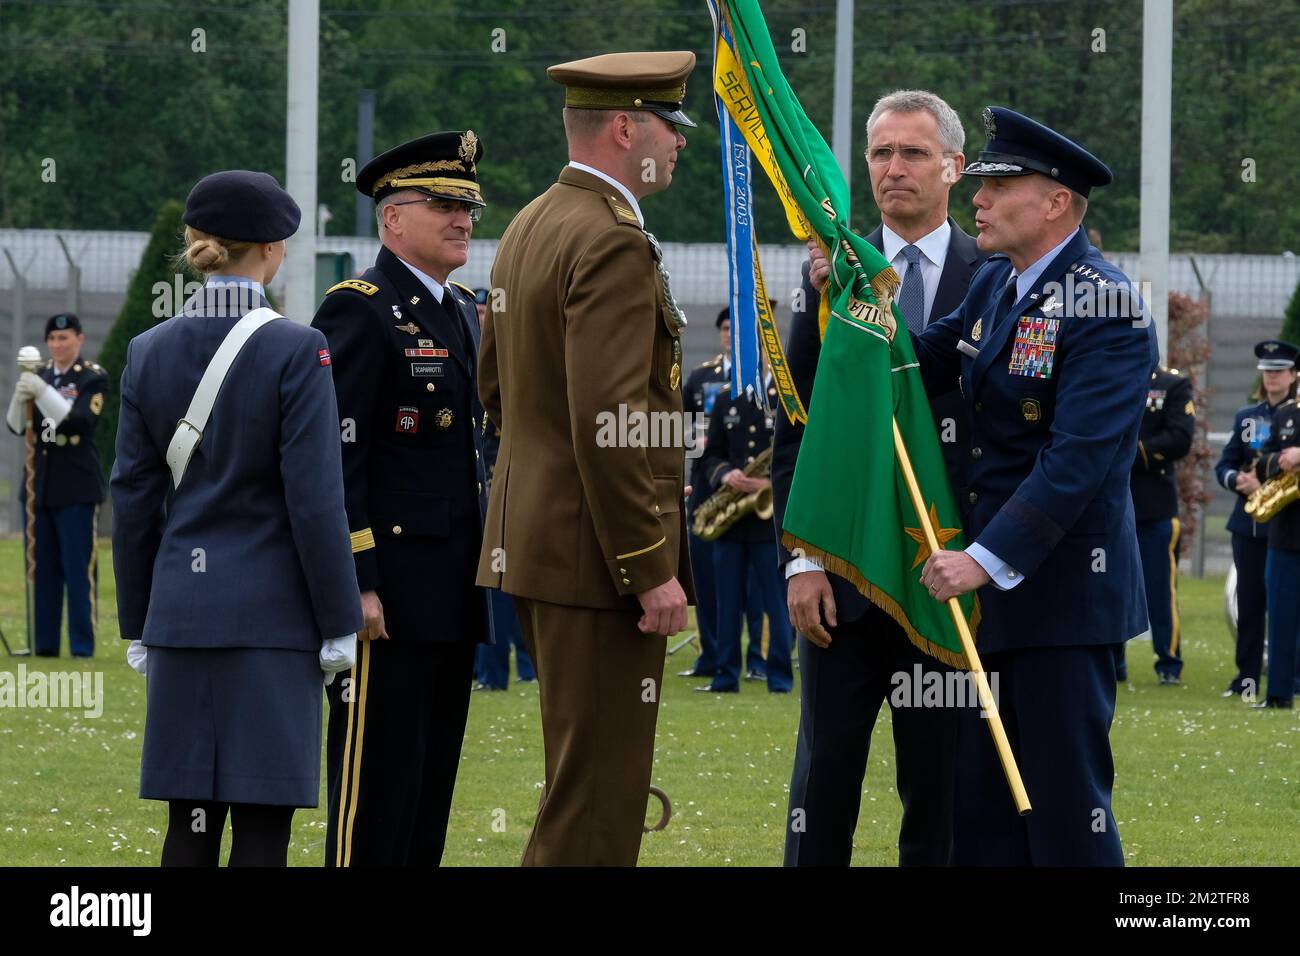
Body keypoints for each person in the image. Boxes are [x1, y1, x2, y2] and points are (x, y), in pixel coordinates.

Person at [872, 105, 1157, 865]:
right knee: (982, 814)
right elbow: (921, 362)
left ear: (1055, 201)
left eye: (1001, 186)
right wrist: (860, 299)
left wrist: (984, 558)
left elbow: (1078, 462)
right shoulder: (999, 281)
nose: (979, 201)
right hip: (988, 602)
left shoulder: (1108, 306)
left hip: (1059, 599)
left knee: (1065, 815)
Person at [476, 50, 696, 866]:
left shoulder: (532, 223)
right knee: (597, 807)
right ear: (624, 126)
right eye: (670, 127)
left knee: (581, 788)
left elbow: (496, 391)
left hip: (541, 545)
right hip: (598, 561)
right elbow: (612, 420)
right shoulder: (610, 240)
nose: (679, 144)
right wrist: (649, 562)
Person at [110, 170, 362, 866]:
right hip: (272, 621)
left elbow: (132, 499)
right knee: (261, 828)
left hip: (182, 617)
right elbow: (314, 500)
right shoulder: (296, 347)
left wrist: (139, 620)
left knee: (187, 826)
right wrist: (339, 619)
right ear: (273, 249)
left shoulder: (146, 350)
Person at [771, 89, 985, 866]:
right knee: (824, 783)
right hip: (844, 581)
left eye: (914, 153)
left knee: (942, 794)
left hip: (947, 576)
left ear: (955, 167)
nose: (893, 170)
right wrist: (801, 559)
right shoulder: (831, 275)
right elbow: (799, 422)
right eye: (880, 153)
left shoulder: (993, 274)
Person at [312, 131, 494, 867]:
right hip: (384, 598)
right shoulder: (360, 307)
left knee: (427, 791)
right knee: (373, 796)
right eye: (445, 204)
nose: (463, 220)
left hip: (450, 592)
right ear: (393, 219)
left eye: (470, 206)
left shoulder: (460, 309)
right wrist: (357, 581)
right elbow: (336, 455)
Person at [679, 307, 773, 682]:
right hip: (712, 490)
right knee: (709, 584)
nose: (730, 334)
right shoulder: (702, 378)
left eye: (739, 329)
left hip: (759, 501)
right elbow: (686, 436)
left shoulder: (773, 383)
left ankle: (761, 660)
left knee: (757, 590)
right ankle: (713, 656)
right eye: (725, 329)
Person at [6, 313, 108, 658]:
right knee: (42, 568)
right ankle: (45, 645)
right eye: (52, 339)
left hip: (76, 485)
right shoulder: (40, 376)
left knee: (78, 571)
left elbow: (80, 423)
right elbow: (17, 428)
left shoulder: (92, 378)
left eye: (64, 338)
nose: (57, 345)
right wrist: (21, 396)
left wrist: (43, 391)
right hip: (39, 486)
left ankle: (82, 646)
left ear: (79, 340)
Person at [698, 349, 793, 693]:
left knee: (776, 604)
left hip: (768, 524)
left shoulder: (785, 397)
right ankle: (726, 675)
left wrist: (769, 484)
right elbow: (711, 456)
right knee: (728, 604)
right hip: (732, 522)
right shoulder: (726, 399)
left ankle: (780, 677)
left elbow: (795, 455)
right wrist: (726, 474)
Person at [1215, 339, 1299, 699]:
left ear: (1293, 376)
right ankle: (1246, 679)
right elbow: (1224, 465)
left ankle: (1291, 679)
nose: (1271, 378)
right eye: (1266, 373)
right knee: (1249, 605)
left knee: (1288, 607)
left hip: (1288, 524)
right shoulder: (1246, 416)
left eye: (1278, 372)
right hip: (1250, 523)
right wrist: (1239, 481)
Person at [472, 287, 536, 691]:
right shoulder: (466, 359)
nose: (482, 318)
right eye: (478, 312)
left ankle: (529, 669)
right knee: (492, 590)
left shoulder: (514, 367)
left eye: (486, 312)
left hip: (516, 491)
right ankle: (492, 674)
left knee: (522, 585)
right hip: (486, 492)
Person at [1125, 366, 1195, 684]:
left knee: (1160, 592)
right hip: (1115, 508)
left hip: (1155, 507)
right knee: (1113, 589)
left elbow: (1180, 438)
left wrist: (1131, 452)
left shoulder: (1172, 384)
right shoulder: (1110, 375)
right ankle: (1114, 663)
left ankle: (1168, 662)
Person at [1252, 356, 1300, 709]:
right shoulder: (1285, 414)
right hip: (1286, 533)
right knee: (1280, 616)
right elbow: (1262, 460)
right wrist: (1280, 462)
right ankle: (1278, 694)